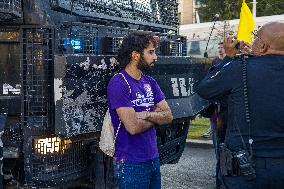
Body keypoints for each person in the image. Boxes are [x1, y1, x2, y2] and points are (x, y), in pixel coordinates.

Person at [196, 21, 284, 189]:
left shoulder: (240, 68)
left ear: (264, 46)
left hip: (246, 167)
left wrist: (228, 58)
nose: (252, 42)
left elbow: (204, 89)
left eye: (256, 38)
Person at [107, 32, 173, 189]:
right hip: (130, 164)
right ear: (135, 55)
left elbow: (169, 116)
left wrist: (146, 114)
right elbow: (133, 127)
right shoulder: (119, 83)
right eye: (150, 52)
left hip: (153, 158)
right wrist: (156, 116)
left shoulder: (150, 82)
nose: (155, 57)